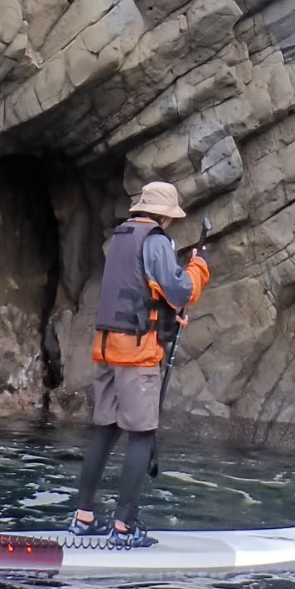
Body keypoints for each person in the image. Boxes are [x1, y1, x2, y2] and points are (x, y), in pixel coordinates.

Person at [69, 181, 210, 547]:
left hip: (107, 349)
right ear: (164, 215)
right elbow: (181, 291)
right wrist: (198, 267)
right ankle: (124, 527)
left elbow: (139, 291)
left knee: (106, 431)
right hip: (136, 355)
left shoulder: (122, 236)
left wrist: (166, 317)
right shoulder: (157, 241)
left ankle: (83, 518)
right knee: (142, 437)